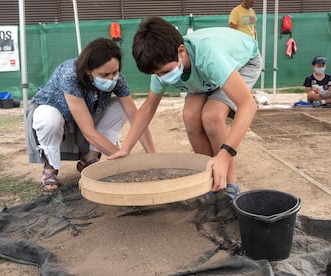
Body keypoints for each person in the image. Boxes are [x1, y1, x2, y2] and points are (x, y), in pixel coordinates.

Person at [108, 17, 261, 197]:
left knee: (211, 116)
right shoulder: (162, 64)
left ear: (181, 51)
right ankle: (209, 179)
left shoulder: (210, 56)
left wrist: (225, 154)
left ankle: (229, 184)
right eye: (157, 74)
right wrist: (126, 148)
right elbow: (149, 107)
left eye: (165, 72)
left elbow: (248, 105)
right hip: (203, 76)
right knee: (190, 116)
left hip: (243, 63)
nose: (162, 78)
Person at [26, 38, 155, 194]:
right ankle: (50, 165)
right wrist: (124, 162)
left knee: (121, 106)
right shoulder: (70, 75)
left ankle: (90, 157)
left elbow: (136, 118)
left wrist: (153, 157)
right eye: (104, 74)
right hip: (56, 110)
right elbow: (88, 131)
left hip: (88, 111)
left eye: (115, 72)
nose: (111, 78)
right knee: (49, 120)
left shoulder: (117, 79)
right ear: (88, 70)